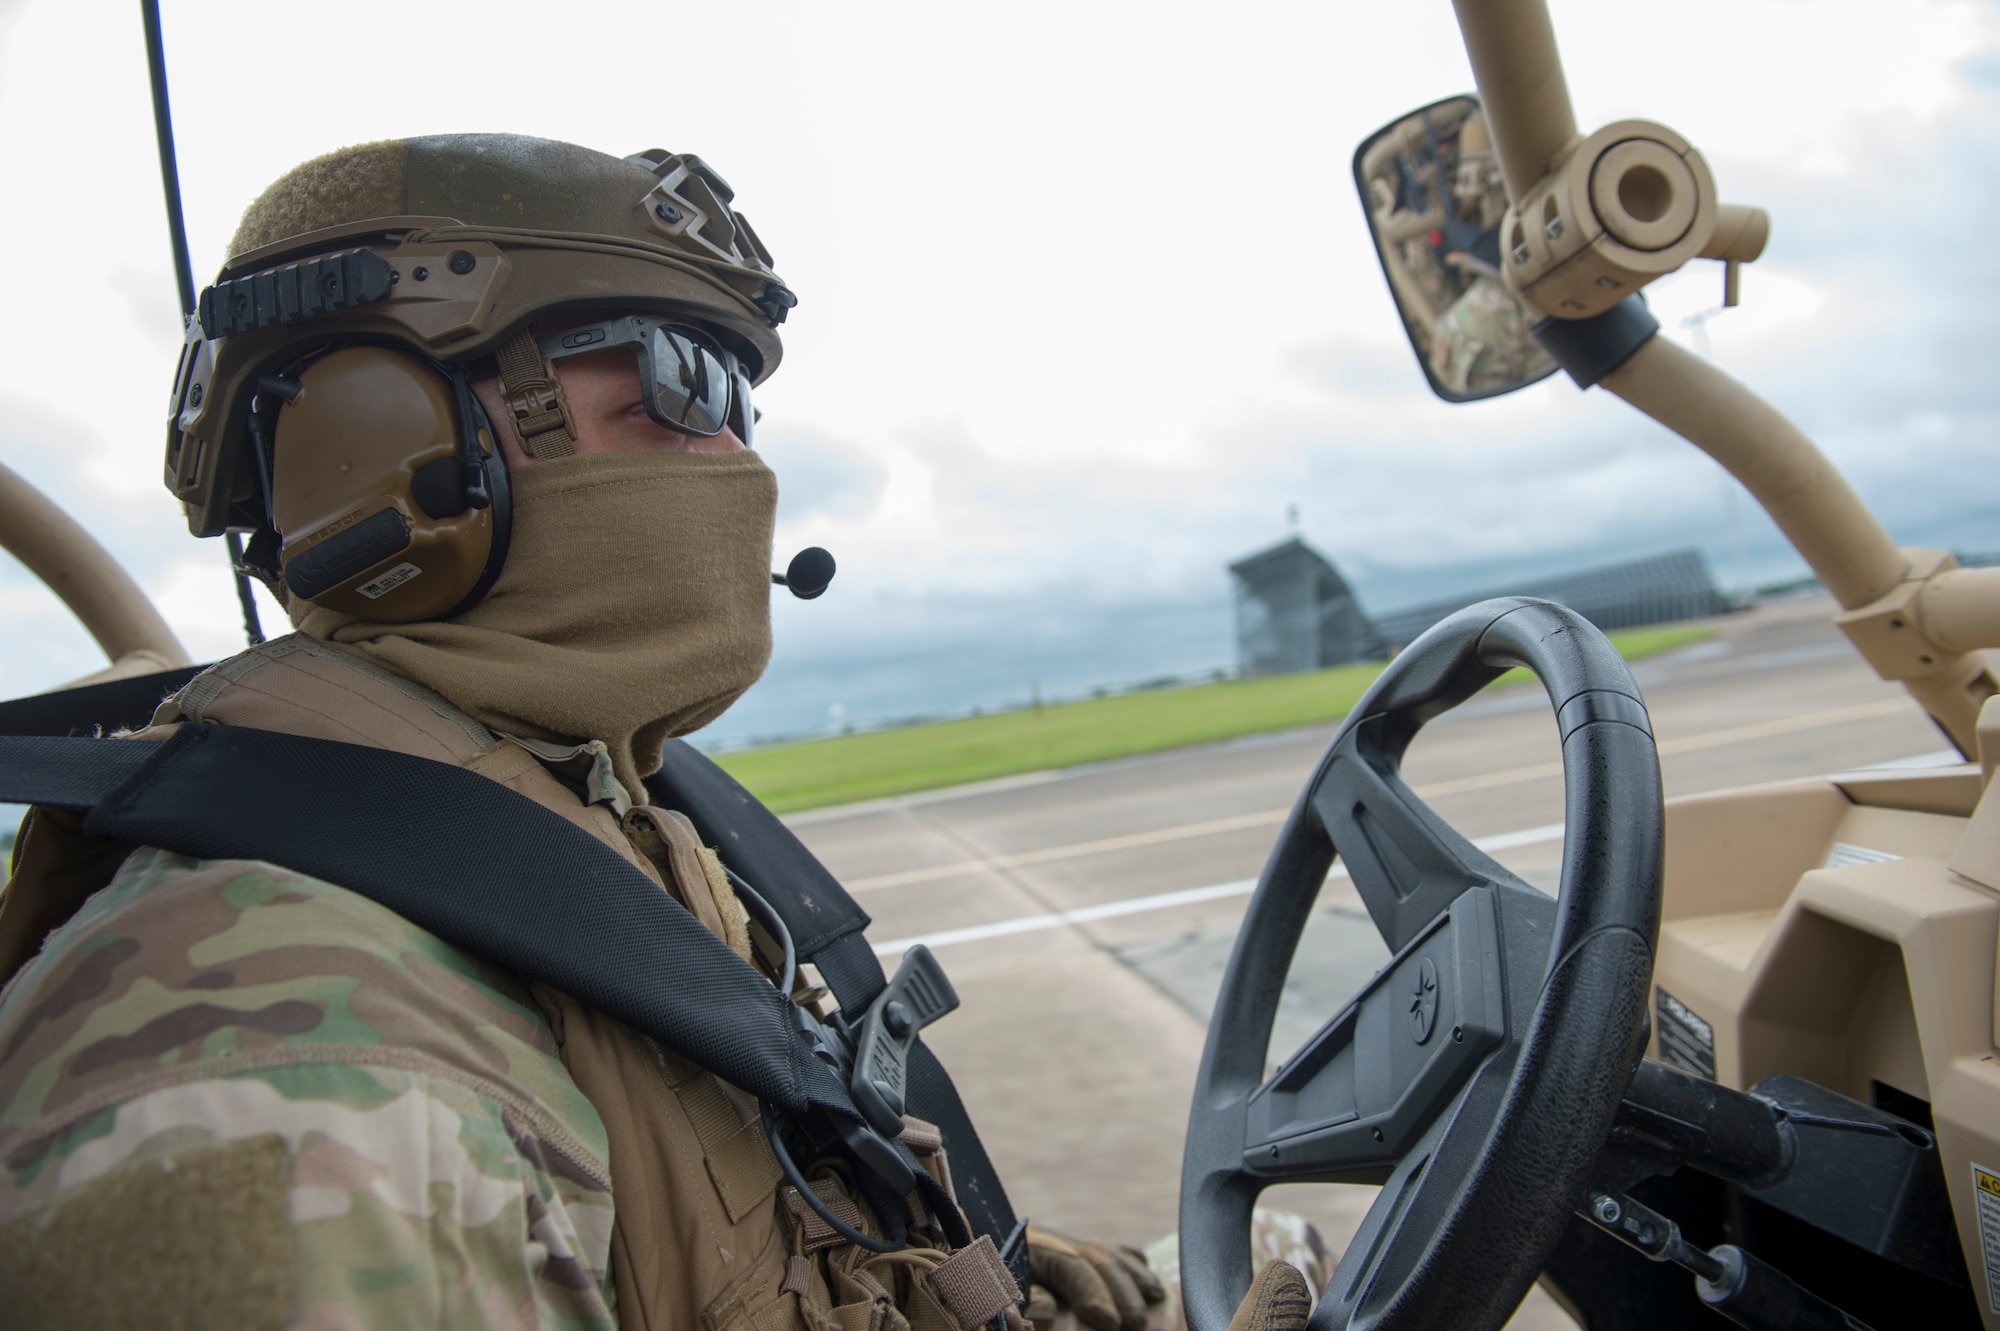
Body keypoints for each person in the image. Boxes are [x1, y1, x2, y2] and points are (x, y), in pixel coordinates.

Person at [0, 135, 1324, 1331]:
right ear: (380, 443)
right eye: (681, 383)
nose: (740, 464)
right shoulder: (295, 1060)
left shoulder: (606, 820)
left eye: (745, 401)